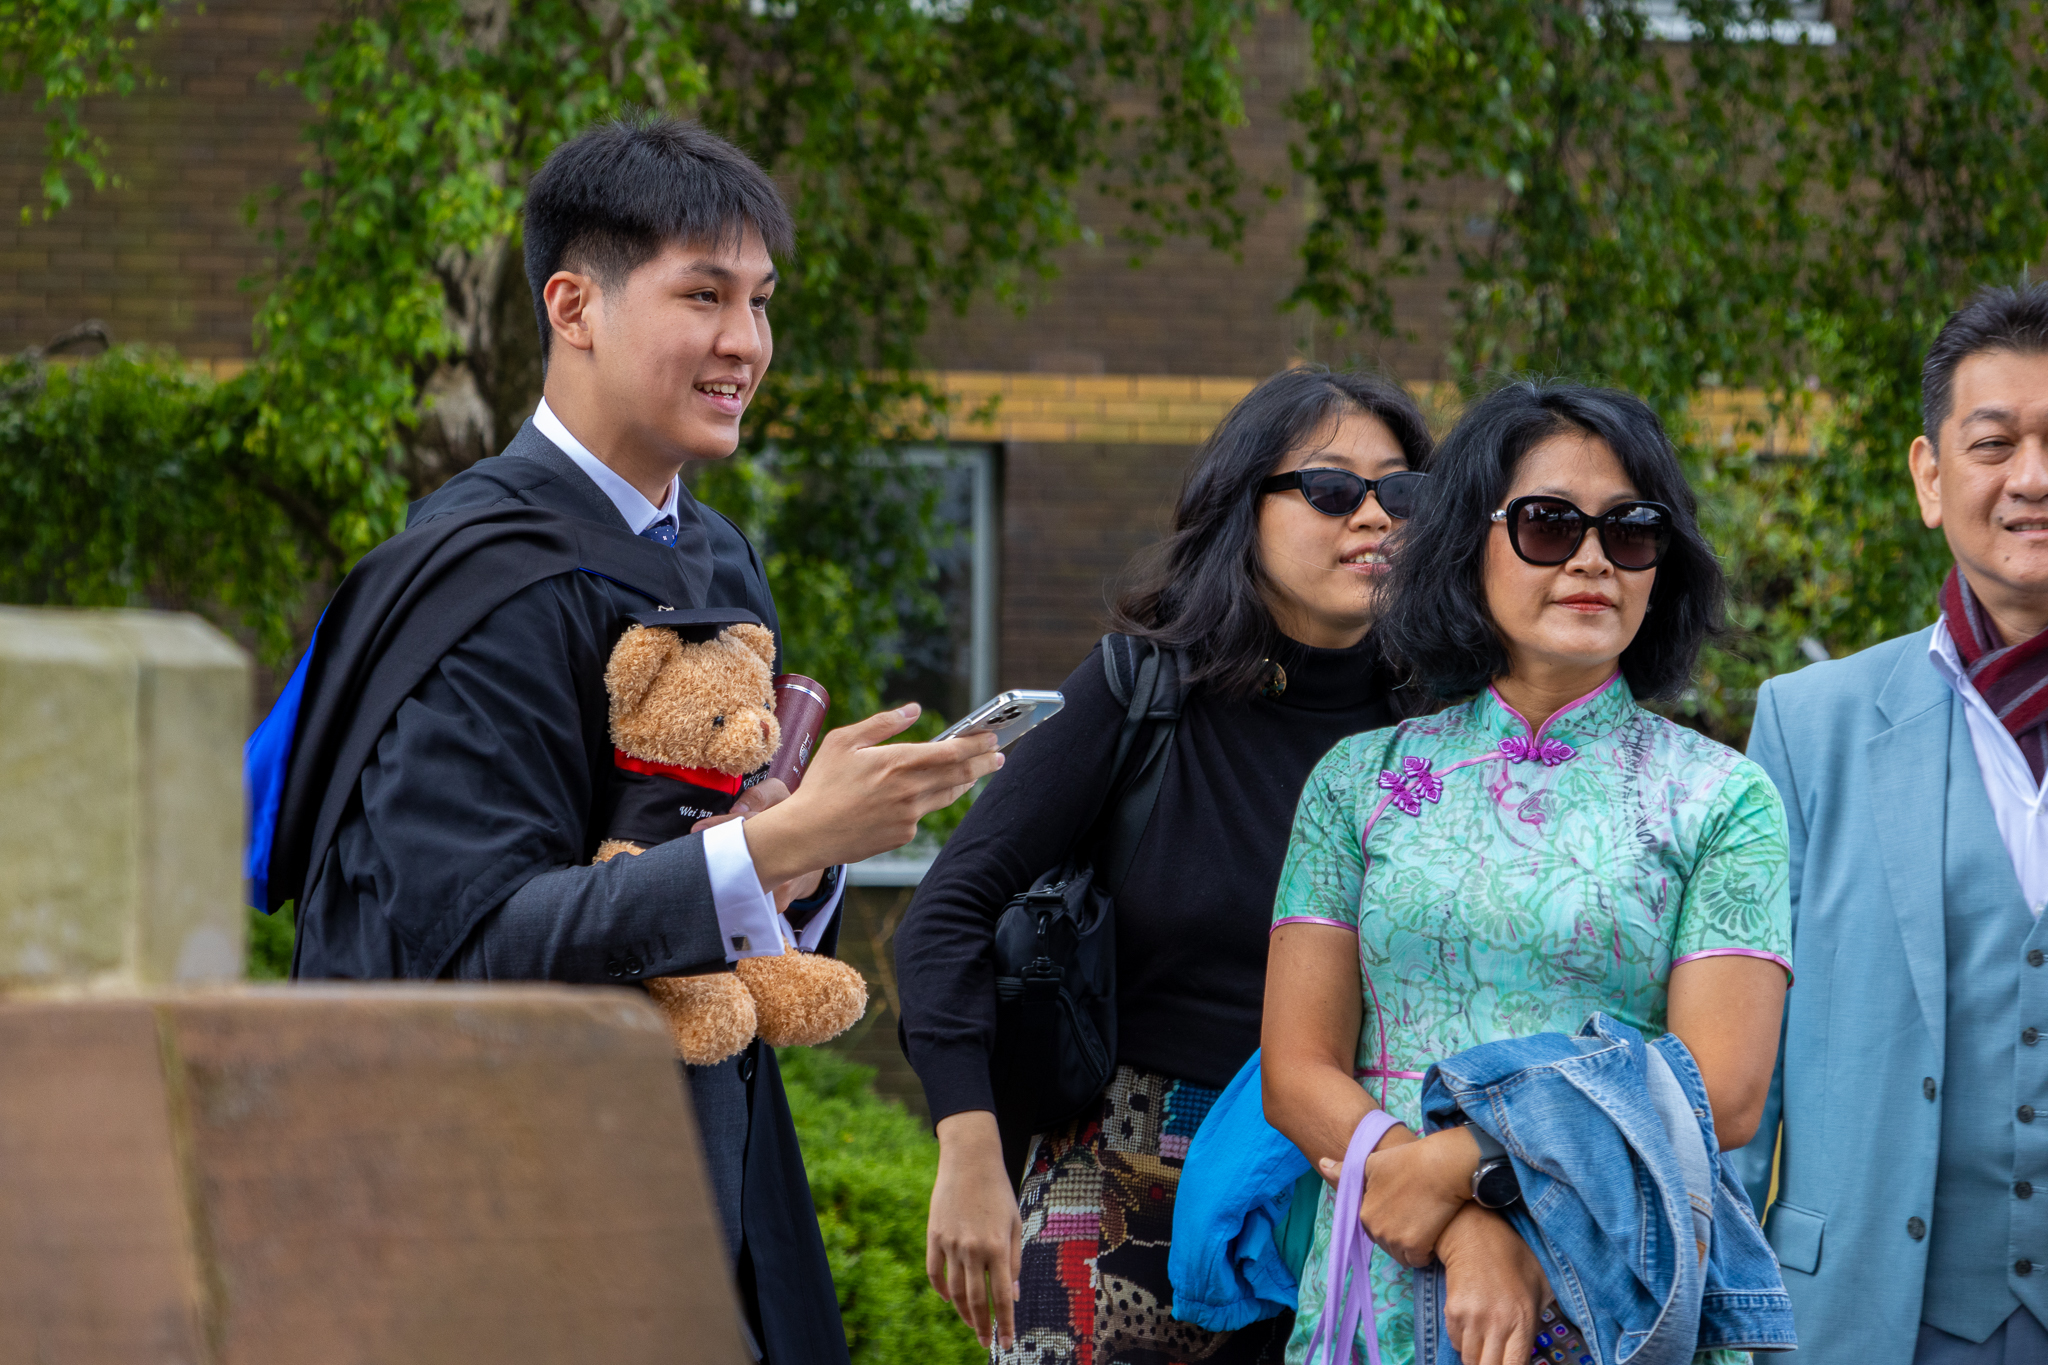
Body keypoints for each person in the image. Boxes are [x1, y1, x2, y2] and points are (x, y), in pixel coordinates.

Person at [255, 117, 1002, 1363]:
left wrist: (799, 863)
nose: (745, 345)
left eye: (760, 303)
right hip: (504, 1207)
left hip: (695, 1176)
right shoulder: (472, 579)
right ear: (572, 305)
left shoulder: (710, 555)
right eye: (702, 295)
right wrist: (770, 849)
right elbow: (472, 942)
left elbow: (690, 870)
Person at [896, 367, 1434, 1361]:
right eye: (1329, 489)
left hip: (1346, 1186)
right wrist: (966, 1144)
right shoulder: (1138, 689)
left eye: (1398, 491)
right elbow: (947, 911)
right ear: (1243, 510)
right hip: (1126, 1179)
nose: (1371, 516)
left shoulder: (1437, 728)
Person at [1261, 380, 1791, 1365]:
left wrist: (1470, 1165)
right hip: (1387, 1271)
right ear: (1467, 543)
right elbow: (1297, 1074)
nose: (1591, 558)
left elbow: (1720, 1090)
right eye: (1548, 524)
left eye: (1630, 530)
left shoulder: (1721, 798)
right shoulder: (1357, 784)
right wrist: (1461, 1228)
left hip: (1617, 1285)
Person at [1729, 282, 2048, 1365]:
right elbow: (1743, 1071)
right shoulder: (1804, 726)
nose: (2031, 480)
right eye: (1993, 442)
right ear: (1929, 476)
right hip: (1863, 1319)